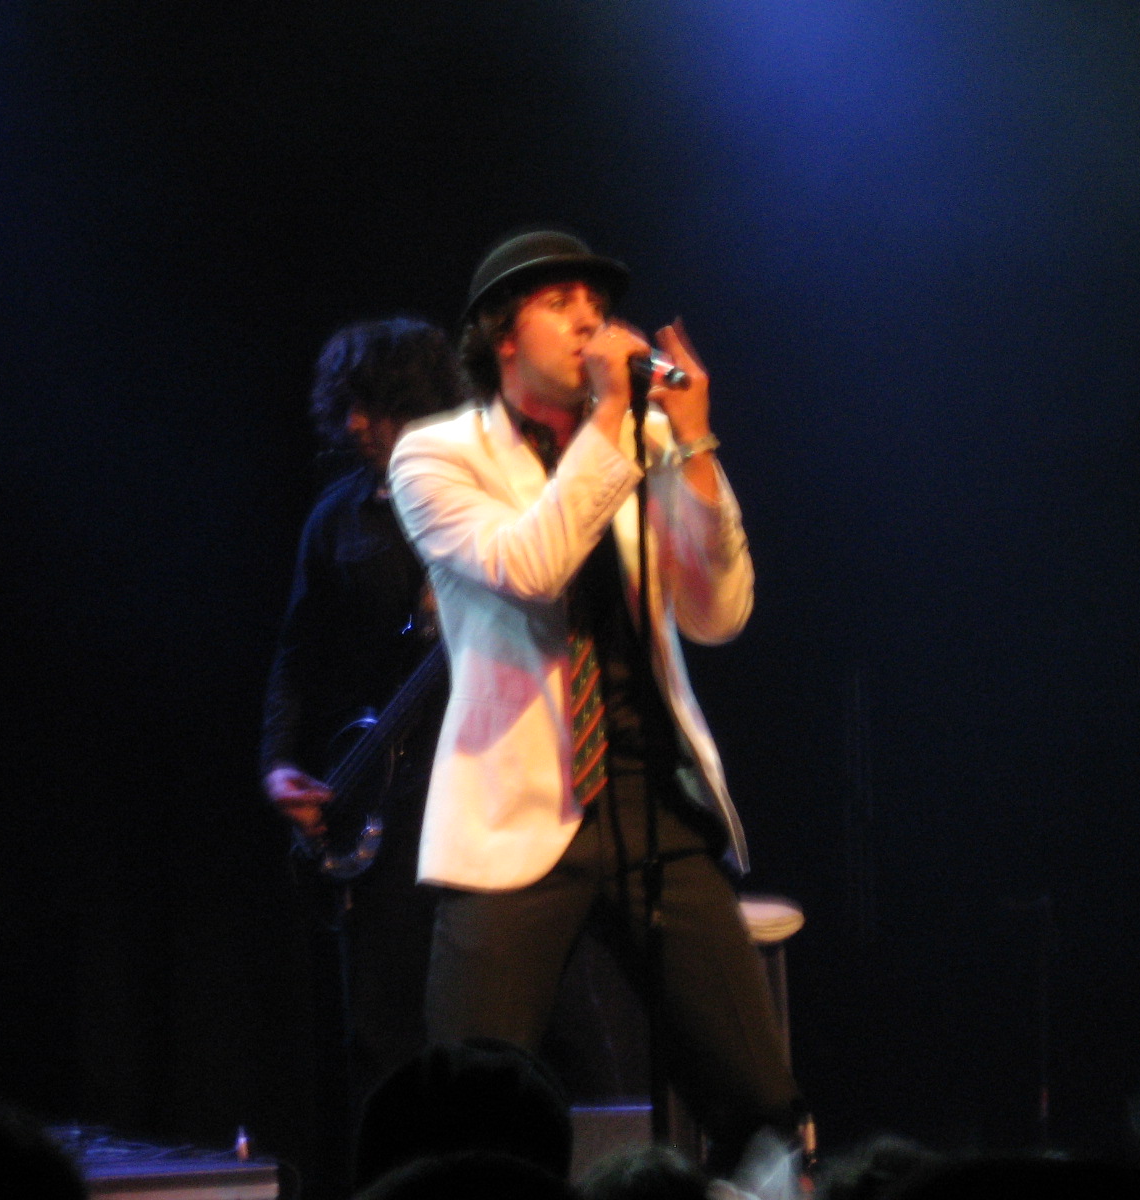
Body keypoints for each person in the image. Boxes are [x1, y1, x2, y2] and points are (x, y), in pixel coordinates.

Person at [388, 230, 802, 1172]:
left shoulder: (644, 441)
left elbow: (718, 614)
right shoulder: (435, 457)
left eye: (598, 302)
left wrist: (692, 444)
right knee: (468, 1112)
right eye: (559, 300)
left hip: (650, 797)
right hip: (513, 812)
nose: (590, 318)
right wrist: (617, 420)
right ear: (501, 334)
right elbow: (530, 566)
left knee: (761, 1102)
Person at [259, 316, 460, 1180]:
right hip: (374, 798)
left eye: (371, 407)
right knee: (378, 1030)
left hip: (475, 789)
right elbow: (296, 655)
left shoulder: (475, 503)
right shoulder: (335, 517)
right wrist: (280, 764)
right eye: (343, 408)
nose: (352, 427)